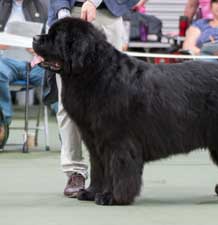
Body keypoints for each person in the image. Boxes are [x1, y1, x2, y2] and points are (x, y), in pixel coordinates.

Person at [47, 0, 140, 198]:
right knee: (68, 102)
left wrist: (93, 1)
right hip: (69, 12)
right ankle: (75, 171)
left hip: (107, 13)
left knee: (111, 100)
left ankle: (109, 172)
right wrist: (63, 14)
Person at [0, 0, 48, 149]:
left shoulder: (43, 6)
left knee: (57, 77)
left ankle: (69, 129)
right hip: (6, 60)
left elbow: (53, 39)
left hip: (35, 62)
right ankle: (3, 121)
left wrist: (41, 49)